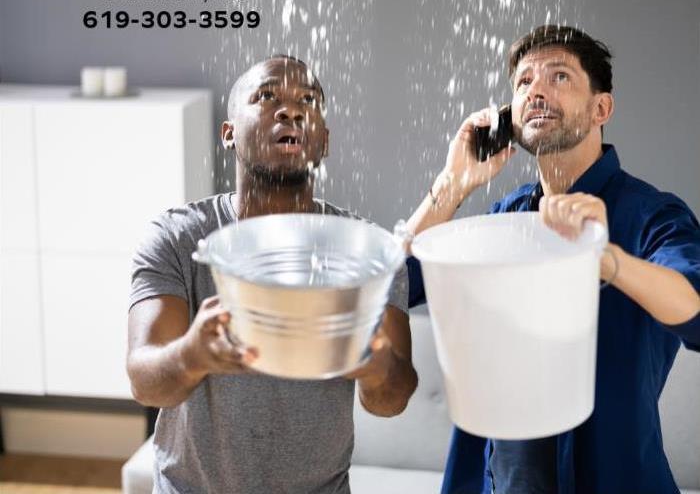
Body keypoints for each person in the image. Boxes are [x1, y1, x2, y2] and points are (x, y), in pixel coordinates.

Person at [406, 25, 700, 494]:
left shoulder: (651, 214)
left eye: (559, 77)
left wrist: (605, 259)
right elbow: (402, 285)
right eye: (523, 83)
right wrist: (453, 183)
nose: (536, 90)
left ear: (601, 108)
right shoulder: (504, 218)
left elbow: (695, 307)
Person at [127, 55, 418, 493]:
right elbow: (144, 381)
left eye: (308, 101)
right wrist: (193, 354)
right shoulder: (178, 237)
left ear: (323, 141)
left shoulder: (367, 252)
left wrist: (374, 363)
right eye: (266, 96)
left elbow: (390, 400)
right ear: (228, 134)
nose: (292, 110)